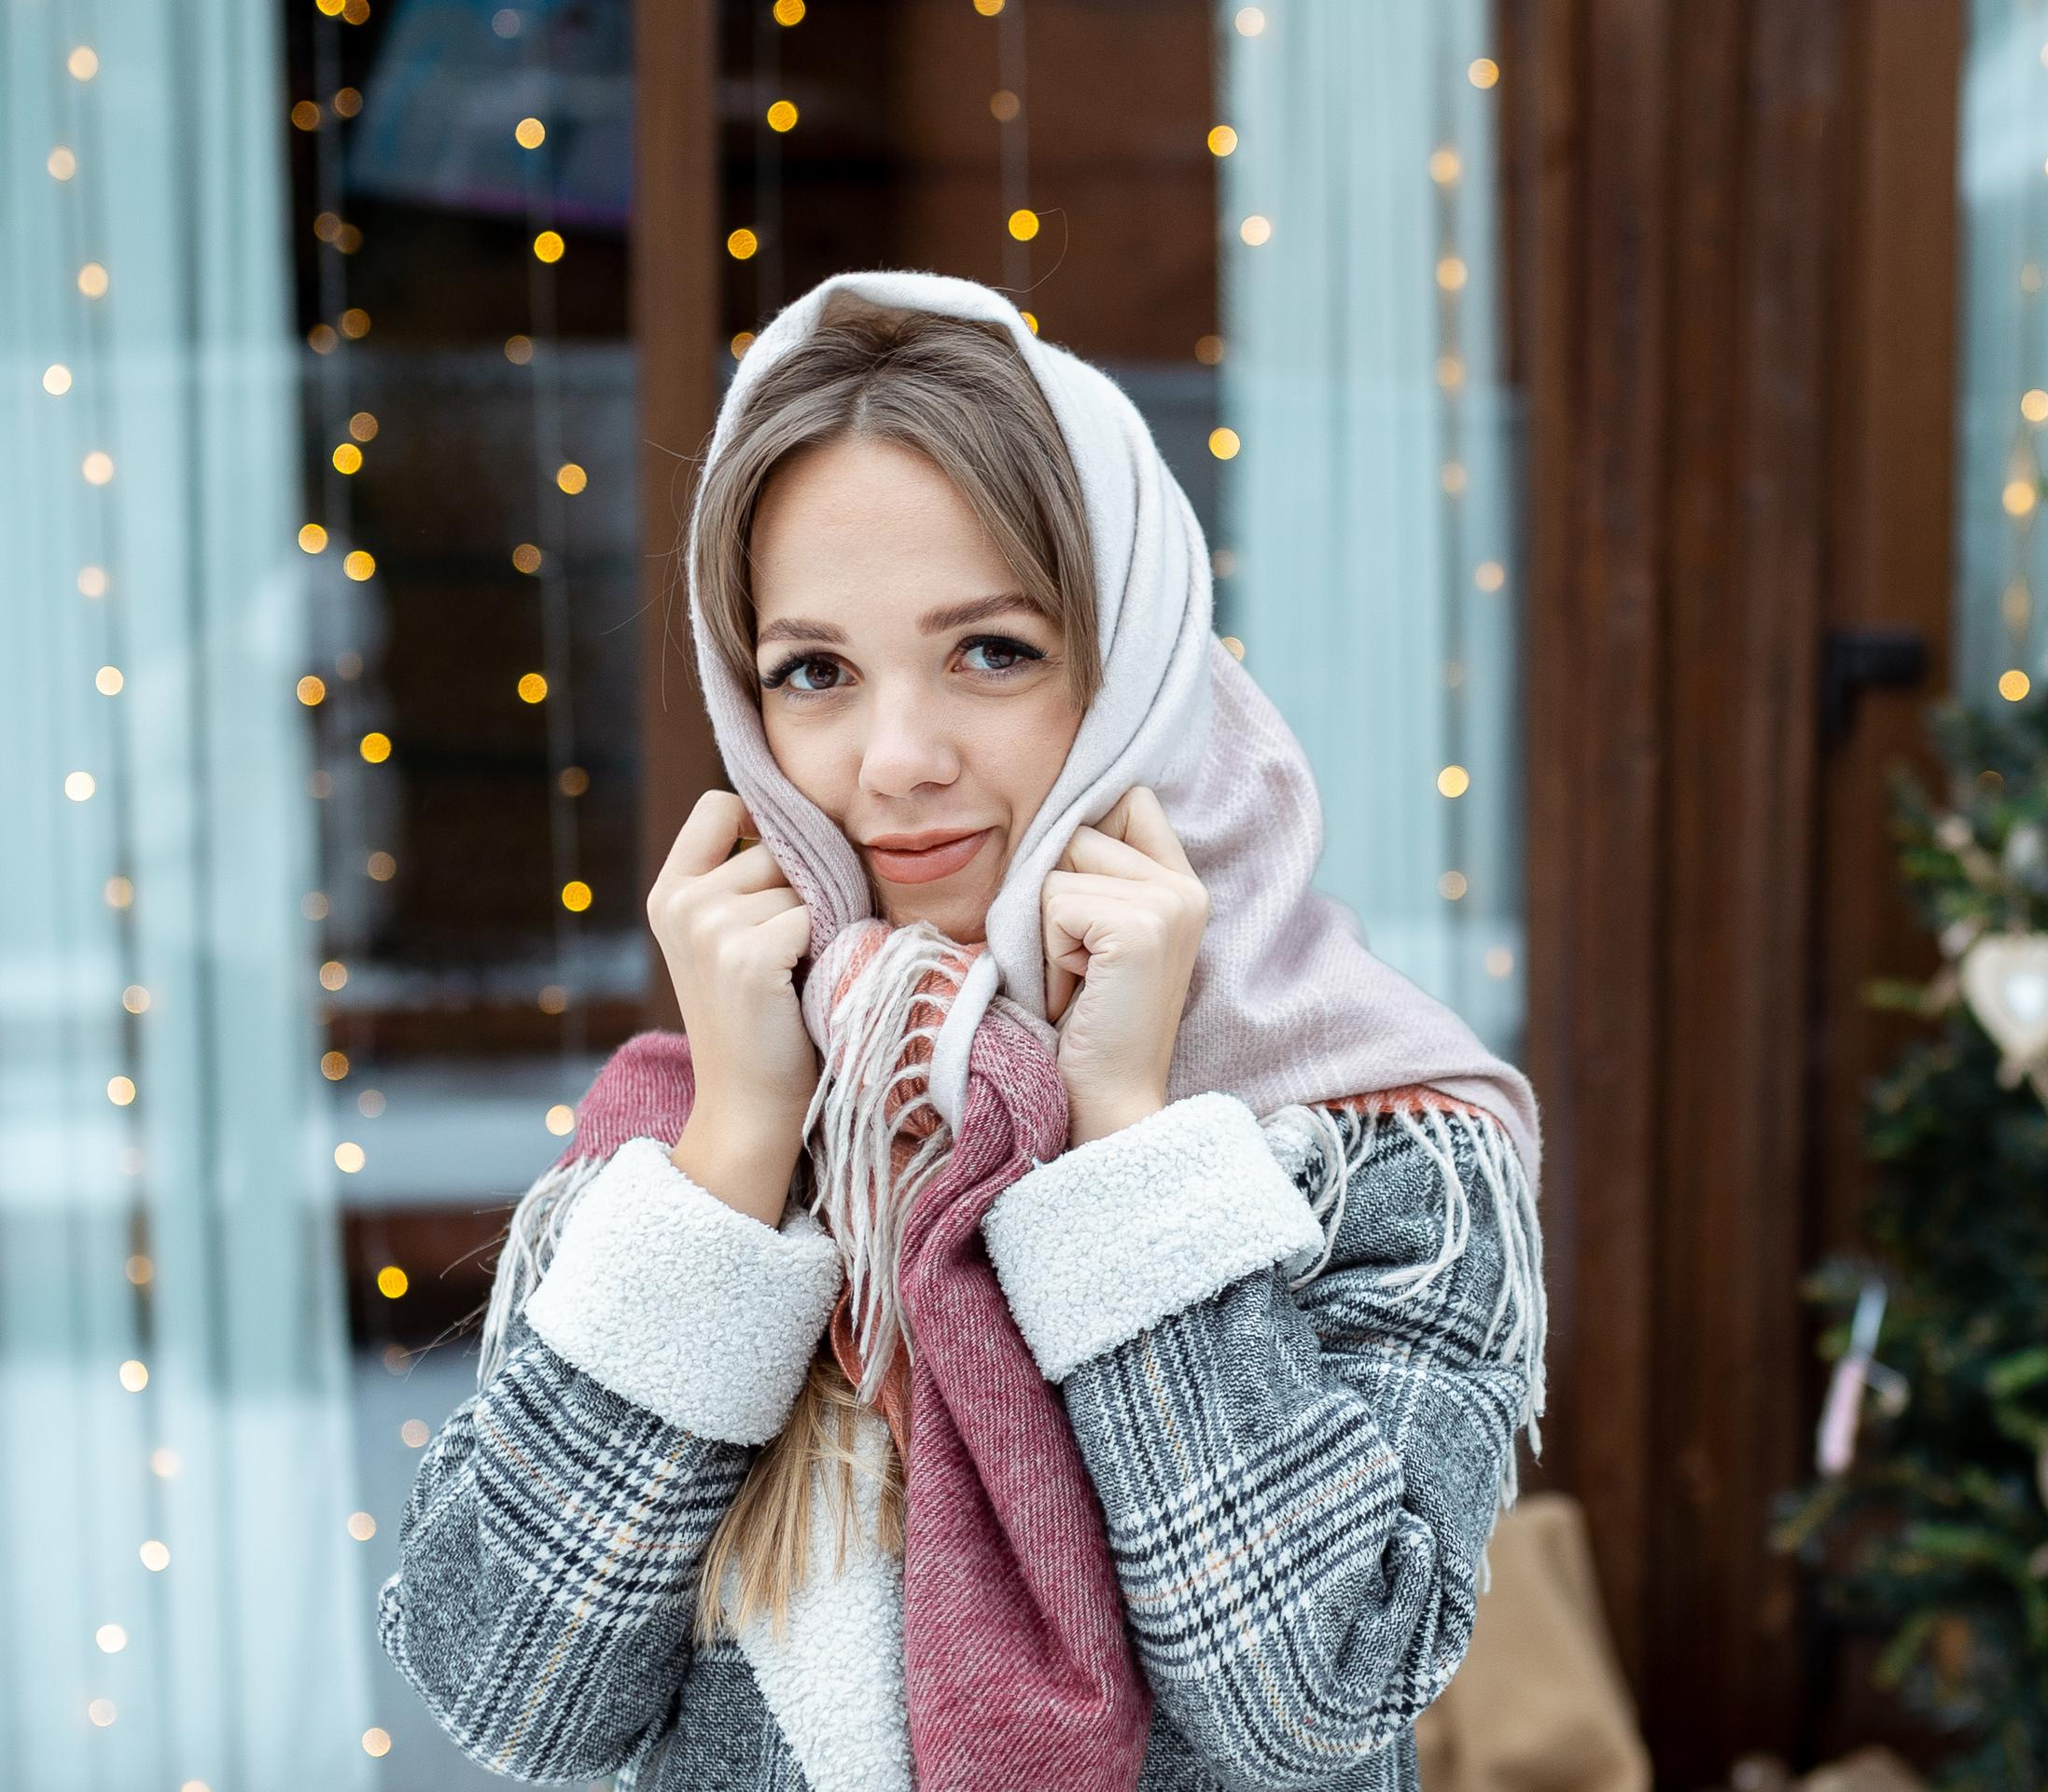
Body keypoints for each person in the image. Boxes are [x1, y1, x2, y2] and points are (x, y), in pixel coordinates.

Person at [375, 270, 1549, 1792]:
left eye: (992, 649)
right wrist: (740, 1146)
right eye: (815, 672)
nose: (897, 759)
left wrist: (1126, 1147)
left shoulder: (1374, 1147)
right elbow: (513, 1693)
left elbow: (1313, 1704)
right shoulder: (693, 1133)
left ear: (1131, 662)